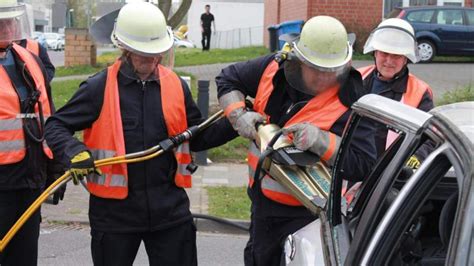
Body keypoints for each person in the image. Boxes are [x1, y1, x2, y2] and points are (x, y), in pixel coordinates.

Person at [44, 2, 236, 266]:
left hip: (169, 211)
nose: (151, 61)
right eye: (143, 54)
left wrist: (236, 122)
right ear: (125, 48)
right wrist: (74, 152)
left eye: (156, 54)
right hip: (114, 216)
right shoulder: (98, 88)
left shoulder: (176, 86)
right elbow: (55, 126)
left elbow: (199, 136)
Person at [216, 16, 376, 265]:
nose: (325, 78)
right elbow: (227, 79)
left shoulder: (354, 100)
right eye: (316, 69)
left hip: (312, 215)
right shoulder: (272, 70)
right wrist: (240, 116)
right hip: (263, 206)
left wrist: (322, 141)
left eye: (331, 71)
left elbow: (364, 162)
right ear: (299, 59)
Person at [0, 0, 61, 265]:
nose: (7, 27)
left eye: (11, 20)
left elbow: (49, 117)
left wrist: (55, 168)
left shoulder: (29, 59)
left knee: (24, 258)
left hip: (29, 181)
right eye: (0, 21)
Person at [359, 18, 434, 165]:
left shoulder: (420, 92)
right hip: (354, 168)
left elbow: (431, 138)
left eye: (396, 55)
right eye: (384, 53)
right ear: (375, 53)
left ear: (406, 59)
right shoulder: (357, 78)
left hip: (389, 175)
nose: (389, 60)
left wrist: (414, 160)